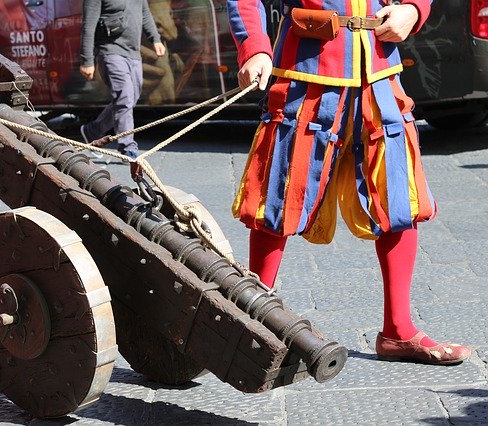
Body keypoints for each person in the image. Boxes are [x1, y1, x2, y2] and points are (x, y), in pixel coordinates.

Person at [227, 0, 472, 365]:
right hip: (306, 75)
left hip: (380, 73)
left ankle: (398, 331)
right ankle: (253, 326)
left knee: (399, 199)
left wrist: (413, 10)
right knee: (277, 198)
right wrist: (255, 47)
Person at [79, 0, 166, 162]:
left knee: (129, 99)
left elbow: (145, 14)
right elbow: (88, 26)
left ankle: (93, 131)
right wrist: (87, 61)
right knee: (125, 97)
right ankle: (128, 147)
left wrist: (155, 39)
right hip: (110, 51)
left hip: (133, 53)